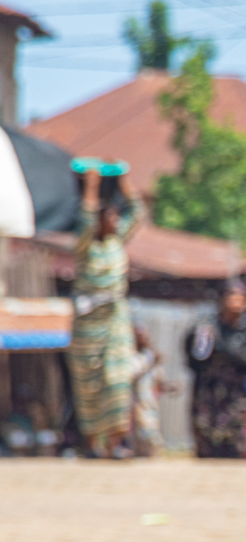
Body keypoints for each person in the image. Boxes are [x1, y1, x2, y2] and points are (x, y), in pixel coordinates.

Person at [66, 169, 144, 460]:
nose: (115, 222)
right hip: (88, 325)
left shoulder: (117, 242)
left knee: (119, 378)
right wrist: (92, 185)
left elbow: (137, 212)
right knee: (89, 384)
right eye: (109, 218)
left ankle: (117, 442)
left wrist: (123, 179)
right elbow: (85, 218)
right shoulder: (86, 245)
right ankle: (92, 444)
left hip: (114, 320)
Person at [187, 280, 246, 458]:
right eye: (231, 296)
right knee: (206, 438)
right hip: (208, 391)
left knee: (234, 442)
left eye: (240, 297)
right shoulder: (207, 327)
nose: (236, 302)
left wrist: (230, 350)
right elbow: (195, 356)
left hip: (235, 393)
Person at [129, 326, 165, 456]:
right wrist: (151, 363)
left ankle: (152, 458)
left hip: (150, 402)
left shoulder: (149, 355)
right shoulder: (132, 356)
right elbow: (133, 374)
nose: (145, 339)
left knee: (151, 431)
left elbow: (158, 380)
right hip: (136, 402)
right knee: (140, 432)